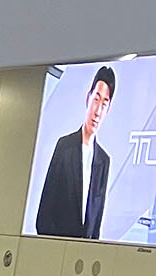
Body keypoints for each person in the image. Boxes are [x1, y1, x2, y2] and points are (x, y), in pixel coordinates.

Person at [32, 63, 115, 238]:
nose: (98, 110)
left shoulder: (103, 161)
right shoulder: (64, 147)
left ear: (108, 110)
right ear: (88, 99)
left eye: (104, 103)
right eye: (96, 99)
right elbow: (44, 214)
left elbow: (96, 222)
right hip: (56, 250)